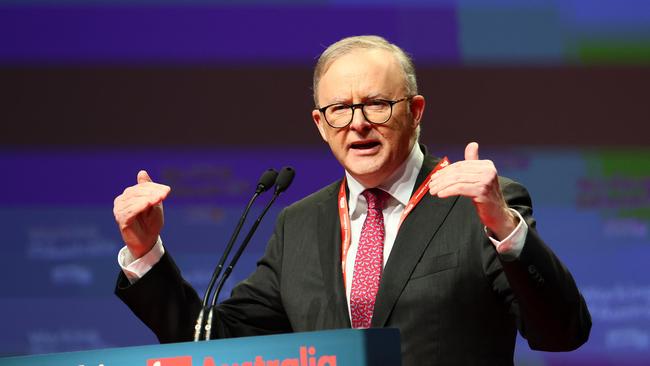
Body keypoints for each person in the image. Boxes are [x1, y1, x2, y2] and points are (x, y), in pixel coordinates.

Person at [114, 35, 591, 365]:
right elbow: (213, 346)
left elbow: (561, 333)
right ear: (320, 125)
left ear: (416, 111)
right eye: (340, 110)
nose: (358, 124)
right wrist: (145, 255)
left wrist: (504, 228)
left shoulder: (481, 203)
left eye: (376, 105)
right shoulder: (300, 224)